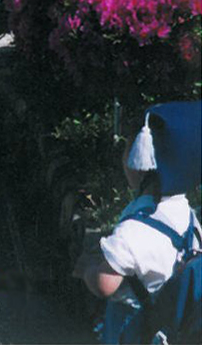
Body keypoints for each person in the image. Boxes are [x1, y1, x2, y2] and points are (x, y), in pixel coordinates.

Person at [72, 101, 201, 344]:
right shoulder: (189, 217)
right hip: (171, 329)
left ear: (141, 162)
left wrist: (89, 270)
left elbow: (104, 284)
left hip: (134, 330)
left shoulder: (135, 230)